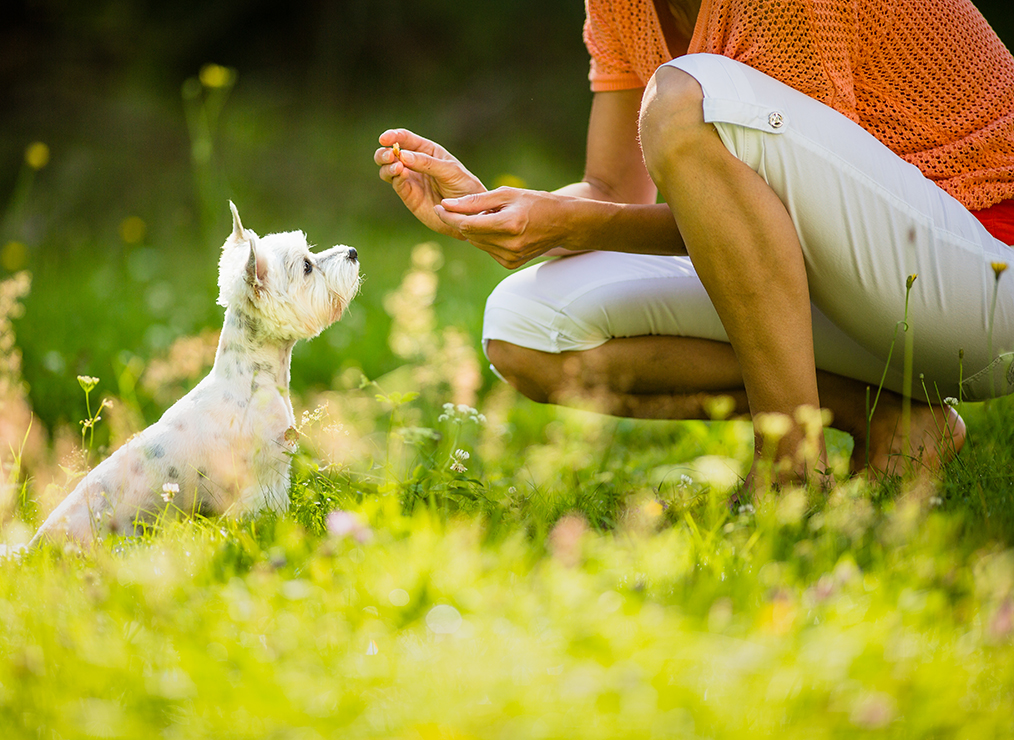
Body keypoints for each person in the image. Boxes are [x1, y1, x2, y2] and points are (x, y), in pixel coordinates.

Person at [375, 0, 1014, 488]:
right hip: (865, 285)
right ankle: (892, 421)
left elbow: (779, 216)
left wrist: (571, 225)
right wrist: (490, 207)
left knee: (686, 96)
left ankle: (791, 473)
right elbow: (612, 187)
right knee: (526, 327)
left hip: (982, 280)